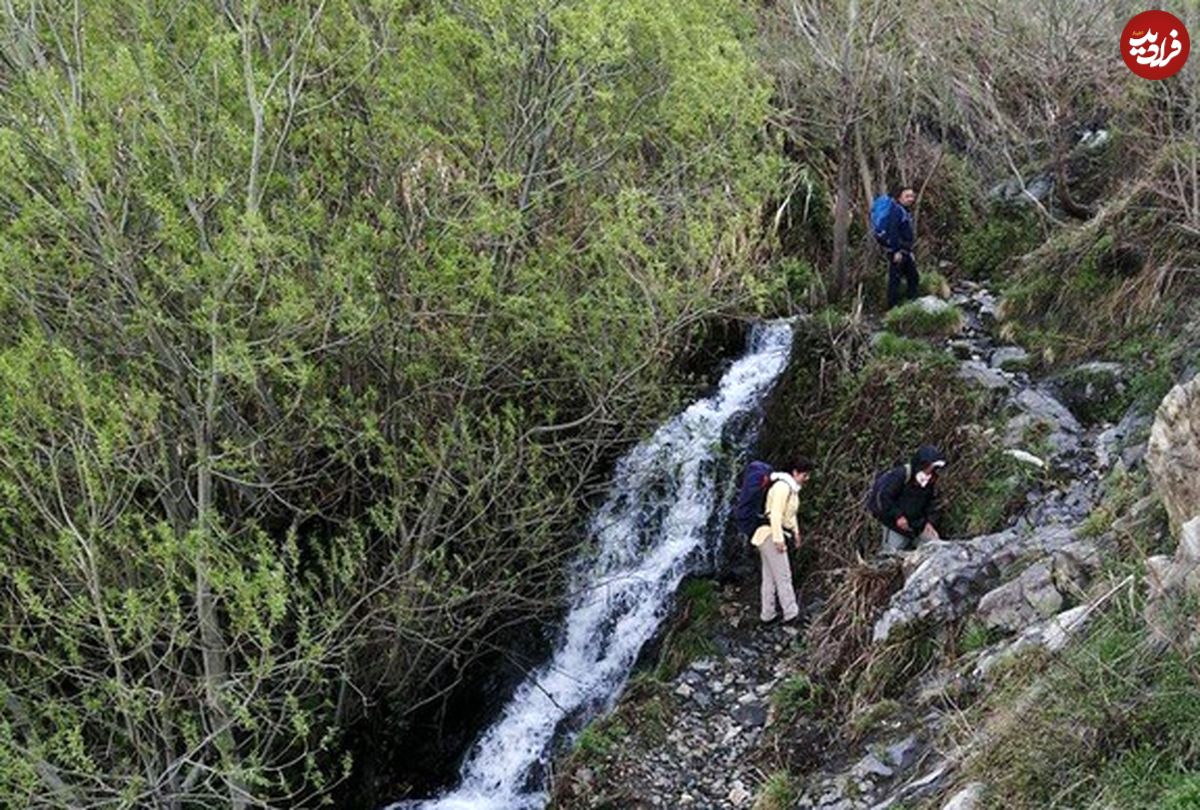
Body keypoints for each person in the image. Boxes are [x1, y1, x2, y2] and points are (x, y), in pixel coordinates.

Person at [750, 456, 813, 625]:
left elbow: (790, 516)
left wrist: (797, 533)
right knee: (784, 575)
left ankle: (767, 615)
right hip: (771, 535)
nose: (807, 479)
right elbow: (775, 514)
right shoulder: (782, 487)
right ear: (795, 472)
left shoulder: (790, 489)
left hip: (771, 535)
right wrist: (778, 539)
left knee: (770, 577)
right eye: (805, 475)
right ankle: (791, 614)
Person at [870, 445, 946, 552]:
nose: (930, 472)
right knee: (893, 553)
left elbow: (932, 502)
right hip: (895, 525)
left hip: (918, 524)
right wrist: (898, 516)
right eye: (928, 467)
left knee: (936, 548)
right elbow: (885, 497)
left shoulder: (931, 480)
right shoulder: (901, 475)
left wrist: (929, 522)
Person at [882, 187, 919, 309]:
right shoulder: (896, 211)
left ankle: (909, 305)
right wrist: (895, 251)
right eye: (907, 196)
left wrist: (910, 251)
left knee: (913, 277)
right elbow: (893, 231)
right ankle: (892, 309)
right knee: (895, 280)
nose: (910, 199)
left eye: (912, 196)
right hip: (898, 251)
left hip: (905, 251)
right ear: (900, 198)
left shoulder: (904, 211)